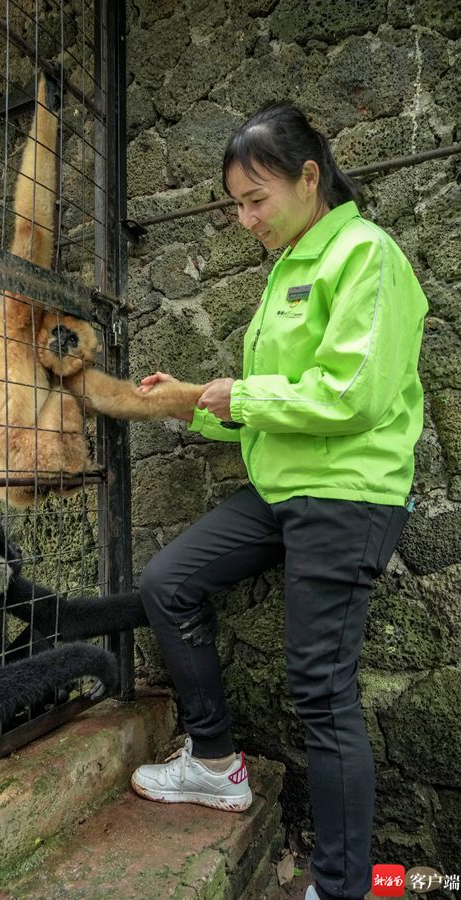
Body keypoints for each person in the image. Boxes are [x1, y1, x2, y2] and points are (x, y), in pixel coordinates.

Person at [130, 103, 428, 900]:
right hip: (283, 486)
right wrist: (191, 404)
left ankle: (343, 886)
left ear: (309, 176)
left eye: (256, 199)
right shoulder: (289, 266)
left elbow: (352, 395)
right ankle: (215, 762)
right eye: (237, 204)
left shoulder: (365, 255)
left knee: (321, 692)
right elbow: (276, 401)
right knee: (168, 580)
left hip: (348, 492)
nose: (246, 219)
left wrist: (236, 394)